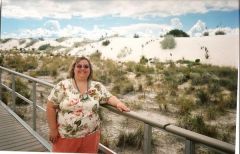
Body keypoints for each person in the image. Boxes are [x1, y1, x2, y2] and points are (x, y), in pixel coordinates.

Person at [46, 56, 130, 153]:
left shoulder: (96, 86)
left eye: (86, 66)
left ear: (90, 70)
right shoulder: (63, 86)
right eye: (79, 66)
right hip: (66, 136)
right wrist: (53, 129)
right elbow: (50, 107)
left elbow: (108, 97)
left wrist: (118, 103)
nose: (83, 68)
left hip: (90, 137)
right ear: (73, 69)